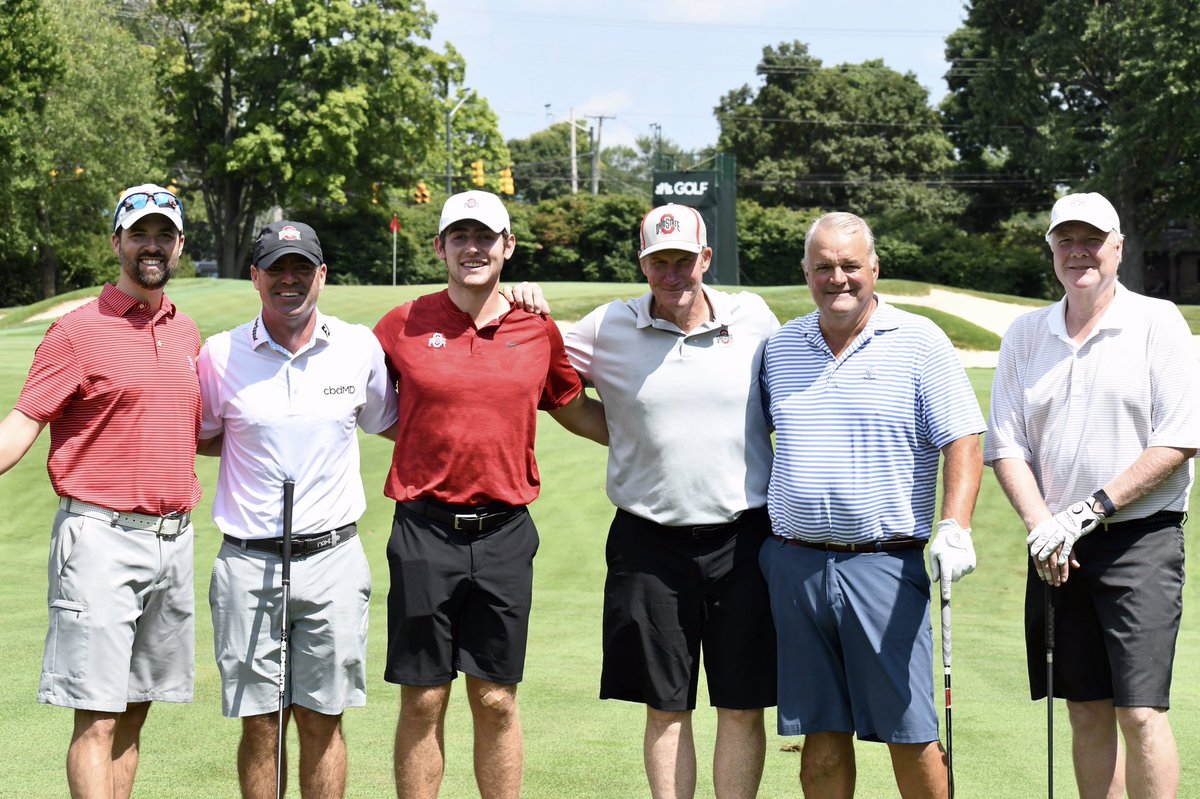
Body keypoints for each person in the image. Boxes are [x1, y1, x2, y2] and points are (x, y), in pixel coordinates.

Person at [372, 190, 606, 799]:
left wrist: (653, 441)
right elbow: (362, 402)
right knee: (424, 698)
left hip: (504, 532)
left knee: (497, 698)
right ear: (440, 247)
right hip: (423, 530)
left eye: (486, 237)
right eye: (459, 237)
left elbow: (572, 408)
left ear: (508, 247)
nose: (472, 248)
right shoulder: (401, 324)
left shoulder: (537, 329)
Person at [758, 211, 983, 799]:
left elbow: (962, 436)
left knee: (911, 735)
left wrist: (955, 524)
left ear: (873, 269)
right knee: (820, 737)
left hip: (885, 564)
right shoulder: (780, 348)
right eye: (824, 267)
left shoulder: (919, 340)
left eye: (850, 266)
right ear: (806, 273)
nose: (838, 278)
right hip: (795, 564)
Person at [985, 192, 1200, 798]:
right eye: (1065, 240)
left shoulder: (1157, 321)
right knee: (1084, 707)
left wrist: (1089, 510)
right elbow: (1007, 446)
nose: (1079, 252)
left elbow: (1180, 438)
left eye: (1092, 240)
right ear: (1051, 248)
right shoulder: (1026, 334)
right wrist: (1041, 526)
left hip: (1139, 540)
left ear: (1118, 247)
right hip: (1056, 548)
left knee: (1140, 711)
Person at [562, 204, 778, 799]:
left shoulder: (753, 317)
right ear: (644, 265)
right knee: (665, 705)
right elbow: (544, 374)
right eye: (660, 262)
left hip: (744, 541)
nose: (673, 274)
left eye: (684, 260)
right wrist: (613, 427)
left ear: (706, 259)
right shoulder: (607, 326)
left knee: (741, 704)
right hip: (648, 542)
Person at [0, 183, 197, 798]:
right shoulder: (78, 330)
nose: (152, 245)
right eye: (139, 233)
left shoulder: (186, 332)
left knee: (136, 710)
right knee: (98, 715)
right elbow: (22, 424)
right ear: (117, 241)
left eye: (164, 234)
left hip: (173, 543)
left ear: (180, 245)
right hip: (100, 540)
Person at [197, 221, 398, 798]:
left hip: (332, 558)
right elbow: (207, 433)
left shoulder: (357, 346)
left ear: (321, 276)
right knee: (261, 723)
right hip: (248, 561)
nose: (290, 280)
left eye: (302, 268)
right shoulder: (220, 353)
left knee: (321, 717)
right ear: (255, 276)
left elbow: (390, 422)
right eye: (277, 269)